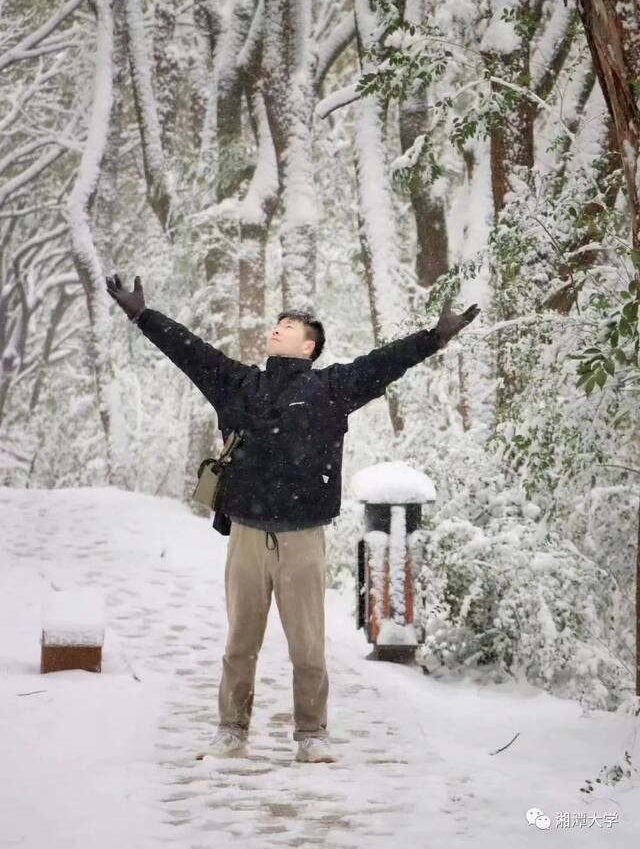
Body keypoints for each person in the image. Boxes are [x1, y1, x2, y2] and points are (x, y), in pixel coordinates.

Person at [106, 273, 480, 763]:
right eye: (278, 322)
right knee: (240, 643)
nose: (279, 327)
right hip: (245, 534)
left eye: (291, 325)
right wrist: (141, 314)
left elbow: (385, 363)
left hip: (303, 538)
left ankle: (311, 734)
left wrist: (434, 337)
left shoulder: (333, 388)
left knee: (307, 647)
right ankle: (231, 729)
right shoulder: (239, 384)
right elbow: (189, 351)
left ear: (310, 347)